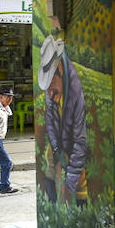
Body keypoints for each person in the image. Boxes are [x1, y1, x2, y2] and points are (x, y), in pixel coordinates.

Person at [39, 36, 88, 205]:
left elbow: (80, 143)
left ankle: (81, 210)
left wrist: (69, 183)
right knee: (50, 160)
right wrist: (56, 149)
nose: (50, 90)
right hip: (61, 138)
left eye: (52, 81)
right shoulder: (51, 88)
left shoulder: (75, 91)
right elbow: (50, 122)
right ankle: (52, 205)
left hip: (73, 140)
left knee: (78, 178)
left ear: (60, 70)